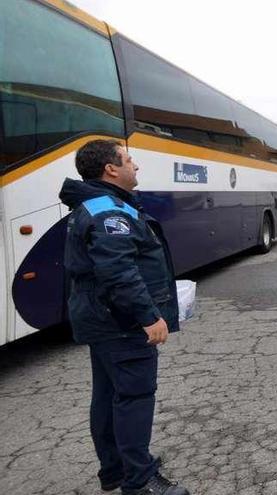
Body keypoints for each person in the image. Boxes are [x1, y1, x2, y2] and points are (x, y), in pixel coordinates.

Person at [58, 140, 189, 495]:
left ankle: (115, 470)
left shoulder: (99, 204)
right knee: (133, 396)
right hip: (120, 322)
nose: (137, 166)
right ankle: (140, 480)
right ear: (111, 169)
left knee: (108, 395)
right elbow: (118, 271)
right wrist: (149, 316)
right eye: (129, 160)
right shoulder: (108, 212)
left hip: (101, 319)